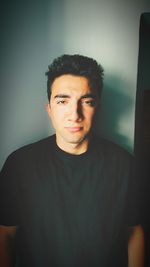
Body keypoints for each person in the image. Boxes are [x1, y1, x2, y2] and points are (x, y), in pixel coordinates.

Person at [0, 54, 144, 267]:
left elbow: (133, 232)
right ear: (49, 108)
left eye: (86, 101)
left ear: (98, 108)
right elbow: (5, 234)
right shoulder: (19, 165)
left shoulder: (125, 165)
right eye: (62, 101)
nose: (74, 114)